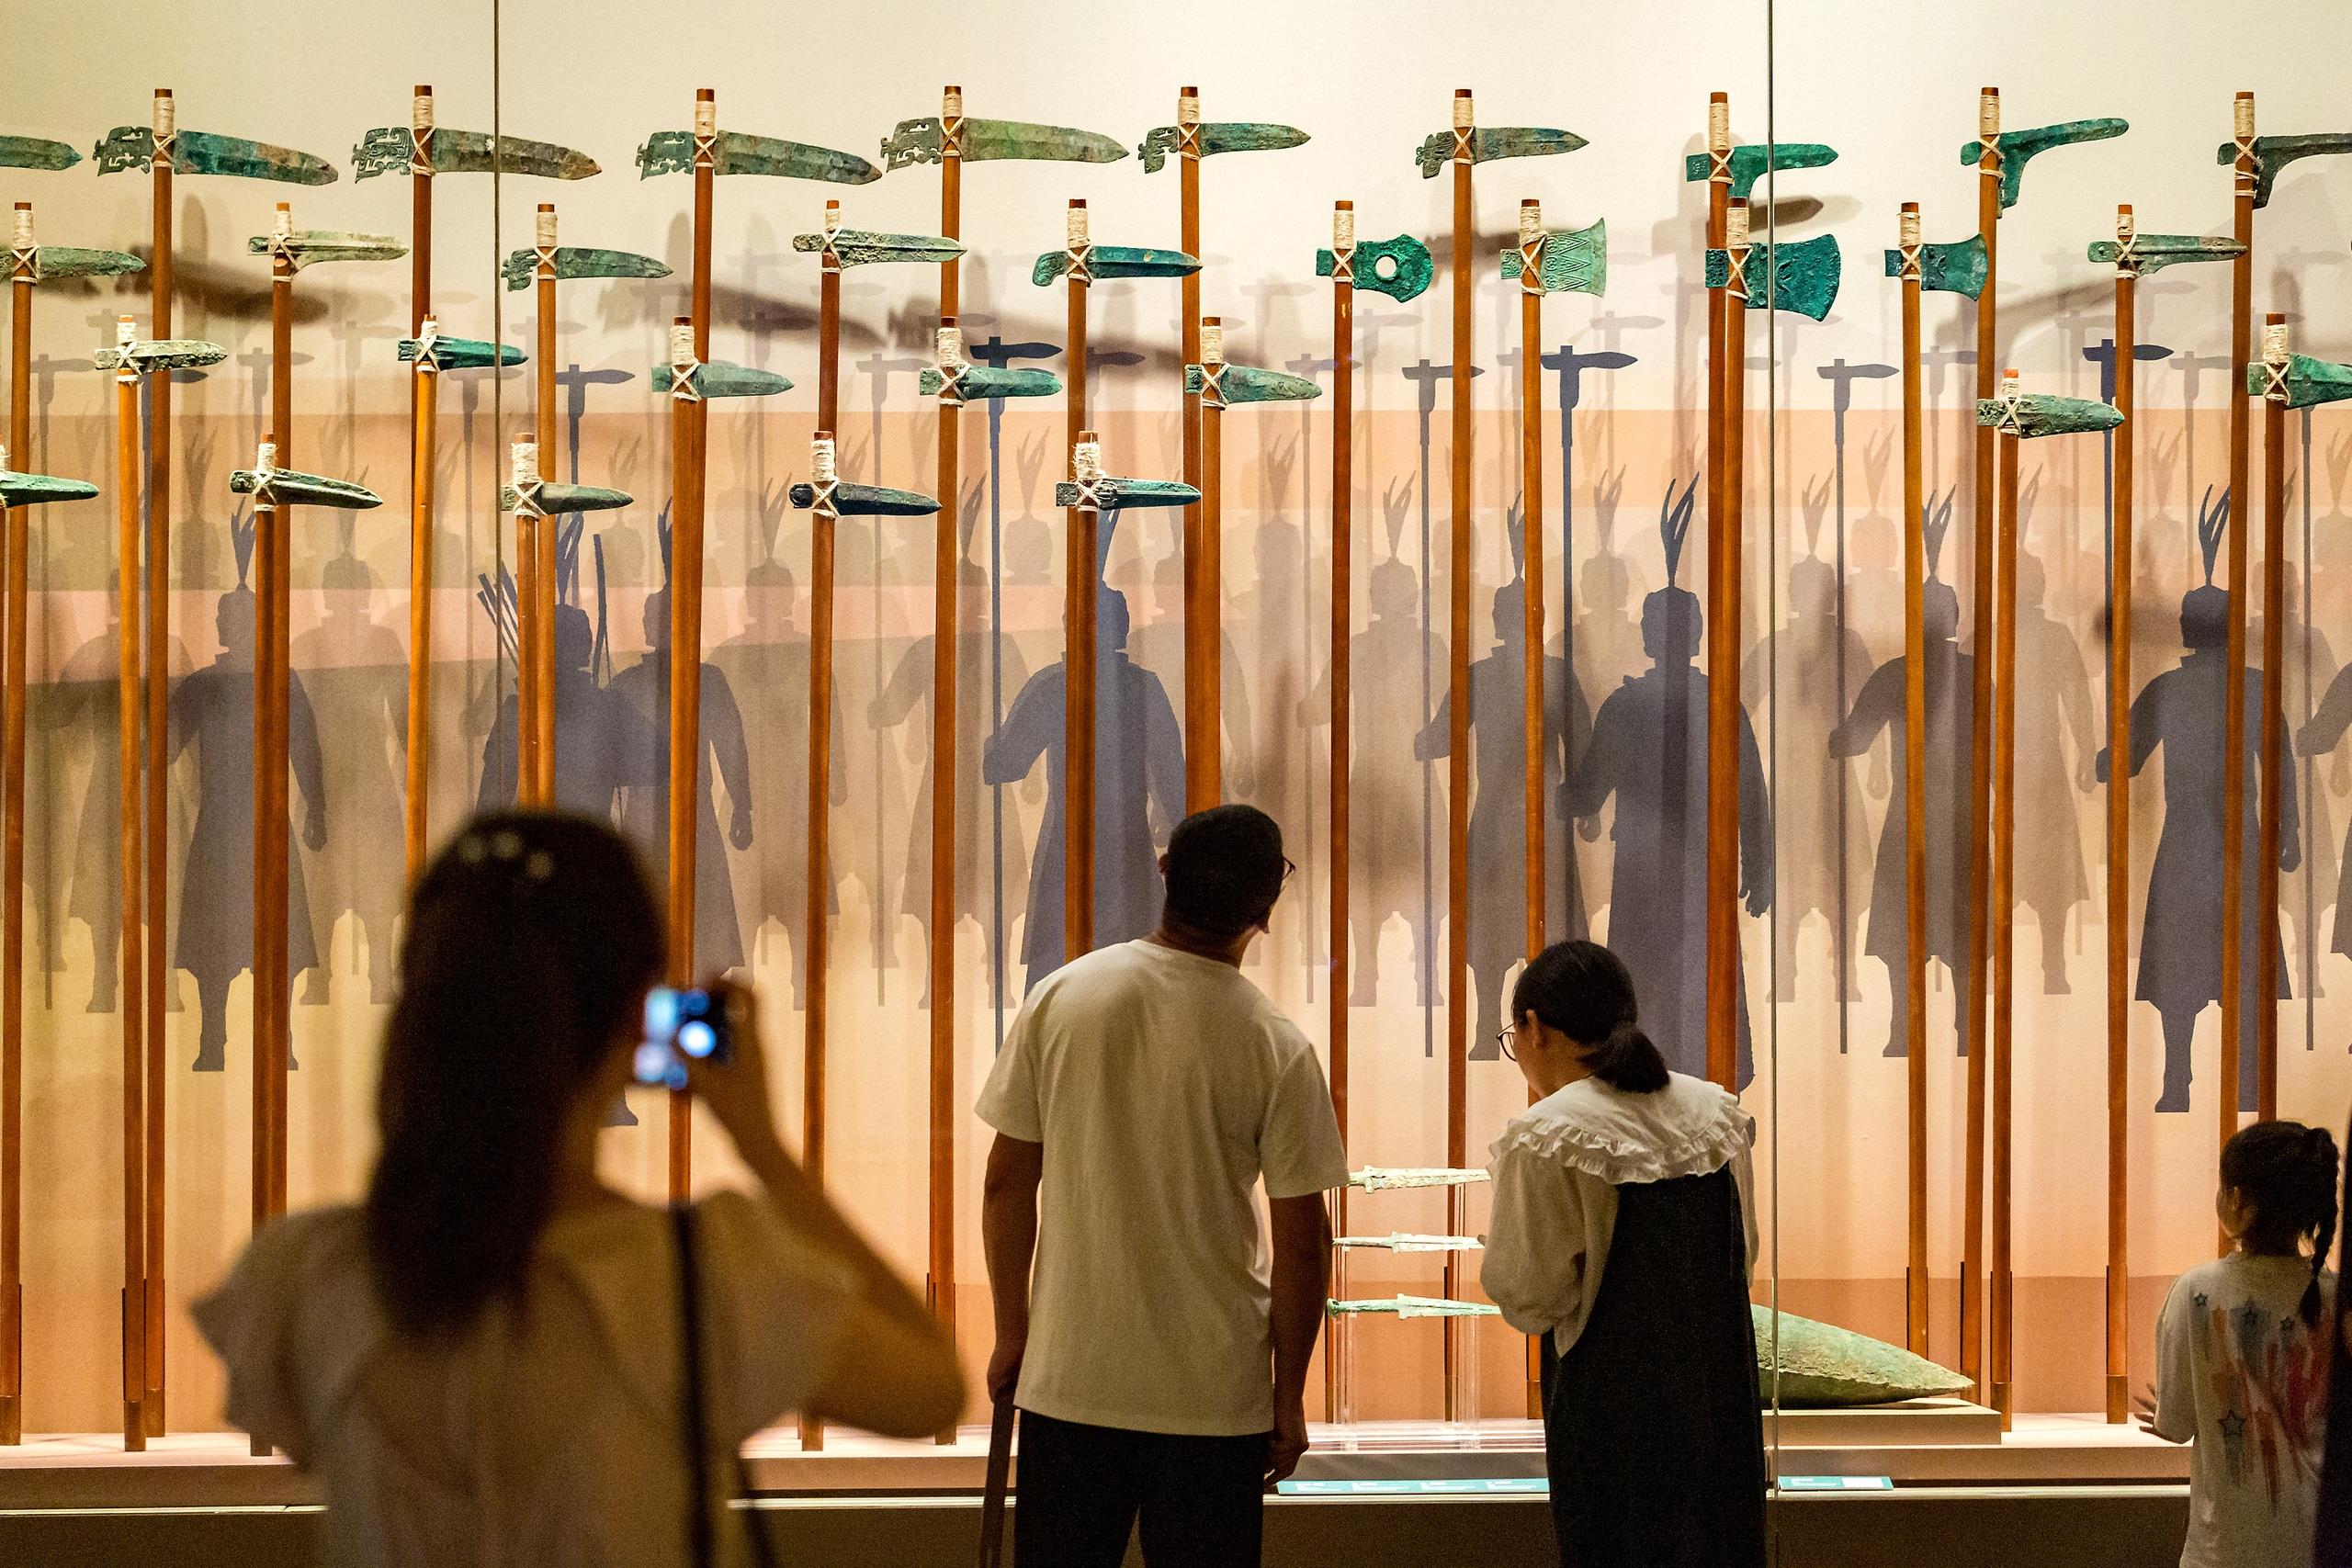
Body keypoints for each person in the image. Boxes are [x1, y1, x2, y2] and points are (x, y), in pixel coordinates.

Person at [194, 810, 962, 1568]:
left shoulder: (303, 1282)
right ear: (637, 1019)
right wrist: (765, 1148)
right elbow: (931, 1388)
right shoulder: (704, 1278)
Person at [978, 803, 1346, 1567]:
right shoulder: (1276, 1043)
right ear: (1265, 913)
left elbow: (1007, 1185)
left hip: (1069, 1376)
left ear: (1165, 871)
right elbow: (1304, 1241)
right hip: (1215, 1397)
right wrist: (1288, 1394)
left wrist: (1014, 1330)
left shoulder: (1062, 997)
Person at [1482, 939, 1766, 1568]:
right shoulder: (1715, 1112)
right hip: (1718, 1394)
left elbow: (1530, 1296)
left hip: (1613, 1413)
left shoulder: (1548, 1133)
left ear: (1533, 1027)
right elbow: (1742, 1256)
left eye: (1512, 1037)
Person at [2138, 1120, 2339, 1568]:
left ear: (2236, 1198)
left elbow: (2175, 1423)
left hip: (2225, 1549)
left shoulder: (2196, 1290)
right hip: (2319, 1543)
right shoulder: (2338, 1296)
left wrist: (2168, 1414)